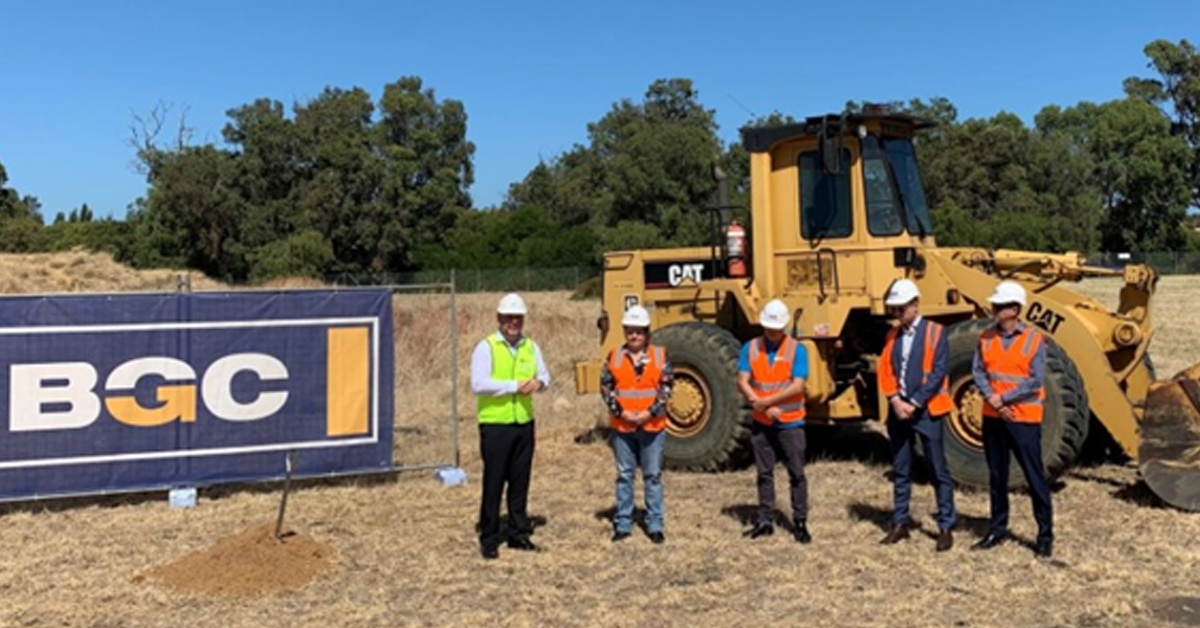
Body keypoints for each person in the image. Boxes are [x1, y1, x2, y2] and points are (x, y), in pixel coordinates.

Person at [971, 280, 1054, 558]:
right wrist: (992, 398)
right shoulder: (985, 336)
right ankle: (997, 528)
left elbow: (1035, 381)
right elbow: (978, 371)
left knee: (1034, 476)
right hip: (993, 417)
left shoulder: (1034, 339)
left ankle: (1044, 535)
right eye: (995, 304)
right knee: (997, 476)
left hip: (1024, 419)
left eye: (1000, 305)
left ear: (1015, 309)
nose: (994, 308)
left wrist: (1002, 400)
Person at [877, 279, 957, 552]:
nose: (897, 315)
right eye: (894, 310)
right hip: (899, 411)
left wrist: (914, 402)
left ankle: (946, 526)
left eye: (901, 309)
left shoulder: (936, 333)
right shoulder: (892, 336)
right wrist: (895, 400)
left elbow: (938, 372)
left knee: (938, 469)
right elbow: (885, 370)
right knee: (901, 468)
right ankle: (900, 523)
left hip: (927, 411)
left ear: (914, 305)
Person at [470, 293, 551, 560]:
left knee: (520, 481)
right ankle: (490, 537)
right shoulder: (486, 347)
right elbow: (478, 384)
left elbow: (545, 375)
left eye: (517, 318)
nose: (513, 322)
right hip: (495, 425)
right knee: (494, 482)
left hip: (524, 423)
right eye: (508, 318)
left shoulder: (531, 346)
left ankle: (518, 534)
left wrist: (538, 384)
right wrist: (513, 386)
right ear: (499, 319)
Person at [738, 299, 812, 544]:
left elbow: (798, 384)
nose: (772, 332)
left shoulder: (796, 349)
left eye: (776, 328)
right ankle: (765, 520)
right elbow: (743, 380)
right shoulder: (750, 348)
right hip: (763, 422)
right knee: (764, 473)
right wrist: (756, 401)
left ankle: (800, 521)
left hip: (790, 422)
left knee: (797, 473)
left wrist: (766, 401)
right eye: (769, 327)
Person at [599, 305, 673, 544]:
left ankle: (654, 524)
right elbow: (606, 388)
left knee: (652, 476)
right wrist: (622, 412)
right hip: (623, 427)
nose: (634, 336)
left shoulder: (661, 356)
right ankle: (623, 524)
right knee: (624, 475)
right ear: (624, 332)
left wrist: (648, 413)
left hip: (652, 426)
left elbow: (666, 388)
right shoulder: (614, 356)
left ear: (647, 333)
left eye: (639, 332)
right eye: (630, 331)